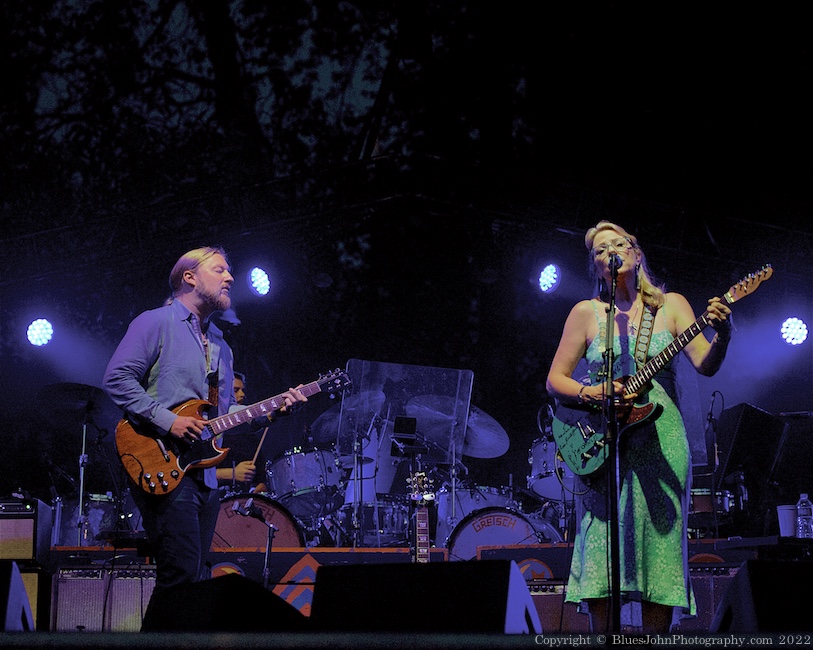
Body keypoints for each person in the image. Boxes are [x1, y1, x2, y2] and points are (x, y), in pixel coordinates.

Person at [545, 221, 732, 634]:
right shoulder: (585, 313)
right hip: (604, 440)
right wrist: (593, 392)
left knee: (659, 544)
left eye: (618, 243)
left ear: (636, 252)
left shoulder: (672, 305)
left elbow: (705, 364)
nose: (609, 251)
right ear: (596, 266)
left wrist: (724, 334)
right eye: (599, 250)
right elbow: (555, 380)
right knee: (601, 545)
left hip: (661, 438)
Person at [103, 246, 306, 596]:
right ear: (190, 277)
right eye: (219, 270)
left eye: (229, 271)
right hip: (162, 461)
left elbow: (222, 416)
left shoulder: (221, 345)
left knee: (194, 579)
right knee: (179, 575)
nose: (230, 278)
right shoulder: (155, 322)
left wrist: (271, 412)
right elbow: (117, 379)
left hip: (205, 477)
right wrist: (169, 421)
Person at [215, 372, 268, 491]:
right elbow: (196, 473)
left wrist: (259, 489)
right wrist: (232, 473)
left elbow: (262, 479)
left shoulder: (250, 435)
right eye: (235, 390)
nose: (242, 394)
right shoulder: (212, 431)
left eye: (243, 390)